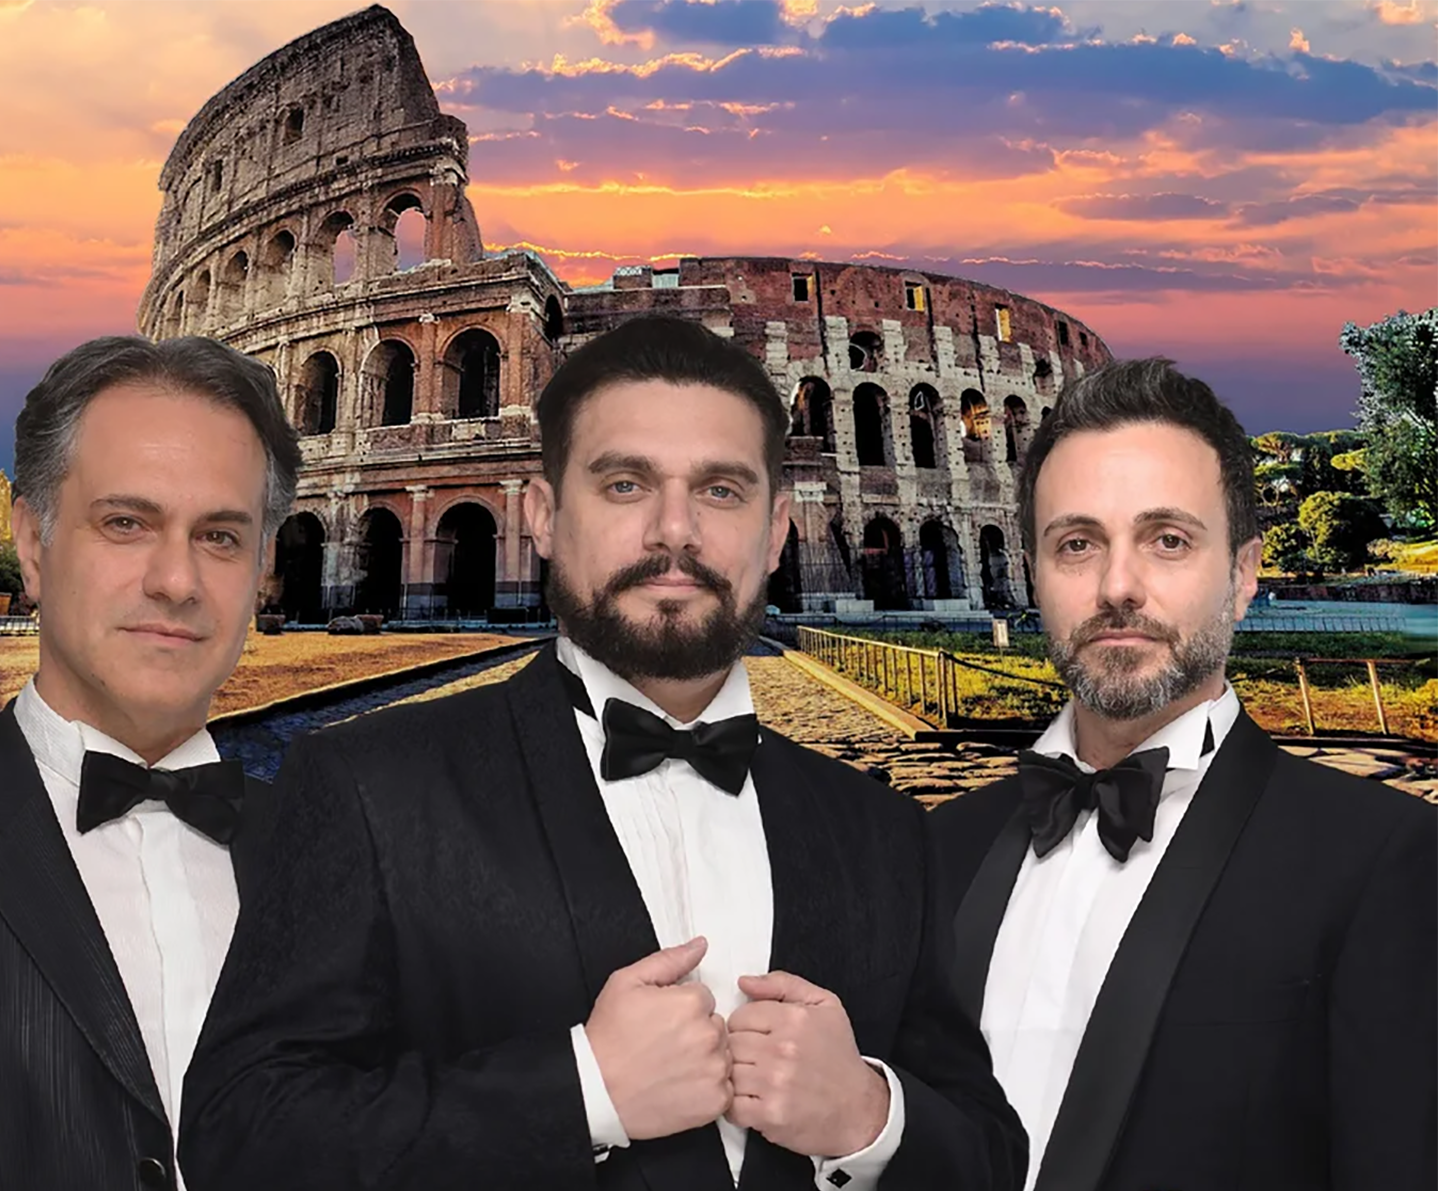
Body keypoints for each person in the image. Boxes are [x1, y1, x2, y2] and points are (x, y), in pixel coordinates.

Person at [180, 315, 1026, 1190]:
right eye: (625, 484)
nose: (675, 530)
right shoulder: (368, 787)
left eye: (723, 491)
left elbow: (992, 1153)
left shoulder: (883, 828)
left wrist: (869, 1117)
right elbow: (239, 1138)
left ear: (778, 530)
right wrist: (582, 1091)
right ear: (543, 514)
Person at [930, 359, 1436, 1191]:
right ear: (1035, 570)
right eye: (1078, 543)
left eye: (1168, 539)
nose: (1117, 586)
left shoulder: (1382, 858)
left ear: (1242, 574)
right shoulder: (941, 847)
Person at [0, 335, 302, 1189]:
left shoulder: (334, 860)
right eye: (126, 522)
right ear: (32, 540)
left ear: (263, 569)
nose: (176, 579)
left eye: (222, 536)